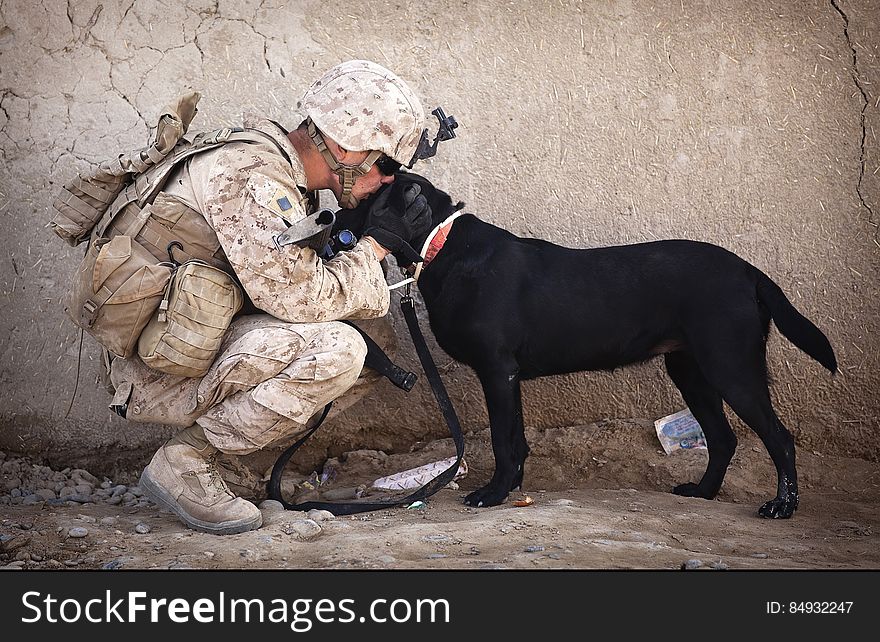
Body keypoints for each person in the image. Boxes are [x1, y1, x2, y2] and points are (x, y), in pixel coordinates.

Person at [107, 60, 449, 535]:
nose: (389, 179)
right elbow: (301, 298)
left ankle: (222, 457)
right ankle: (188, 461)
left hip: (194, 339)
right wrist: (375, 247)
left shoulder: (276, 169)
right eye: (386, 164)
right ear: (344, 146)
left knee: (375, 348)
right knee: (342, 350)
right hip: (157, 369)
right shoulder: (252, 179)